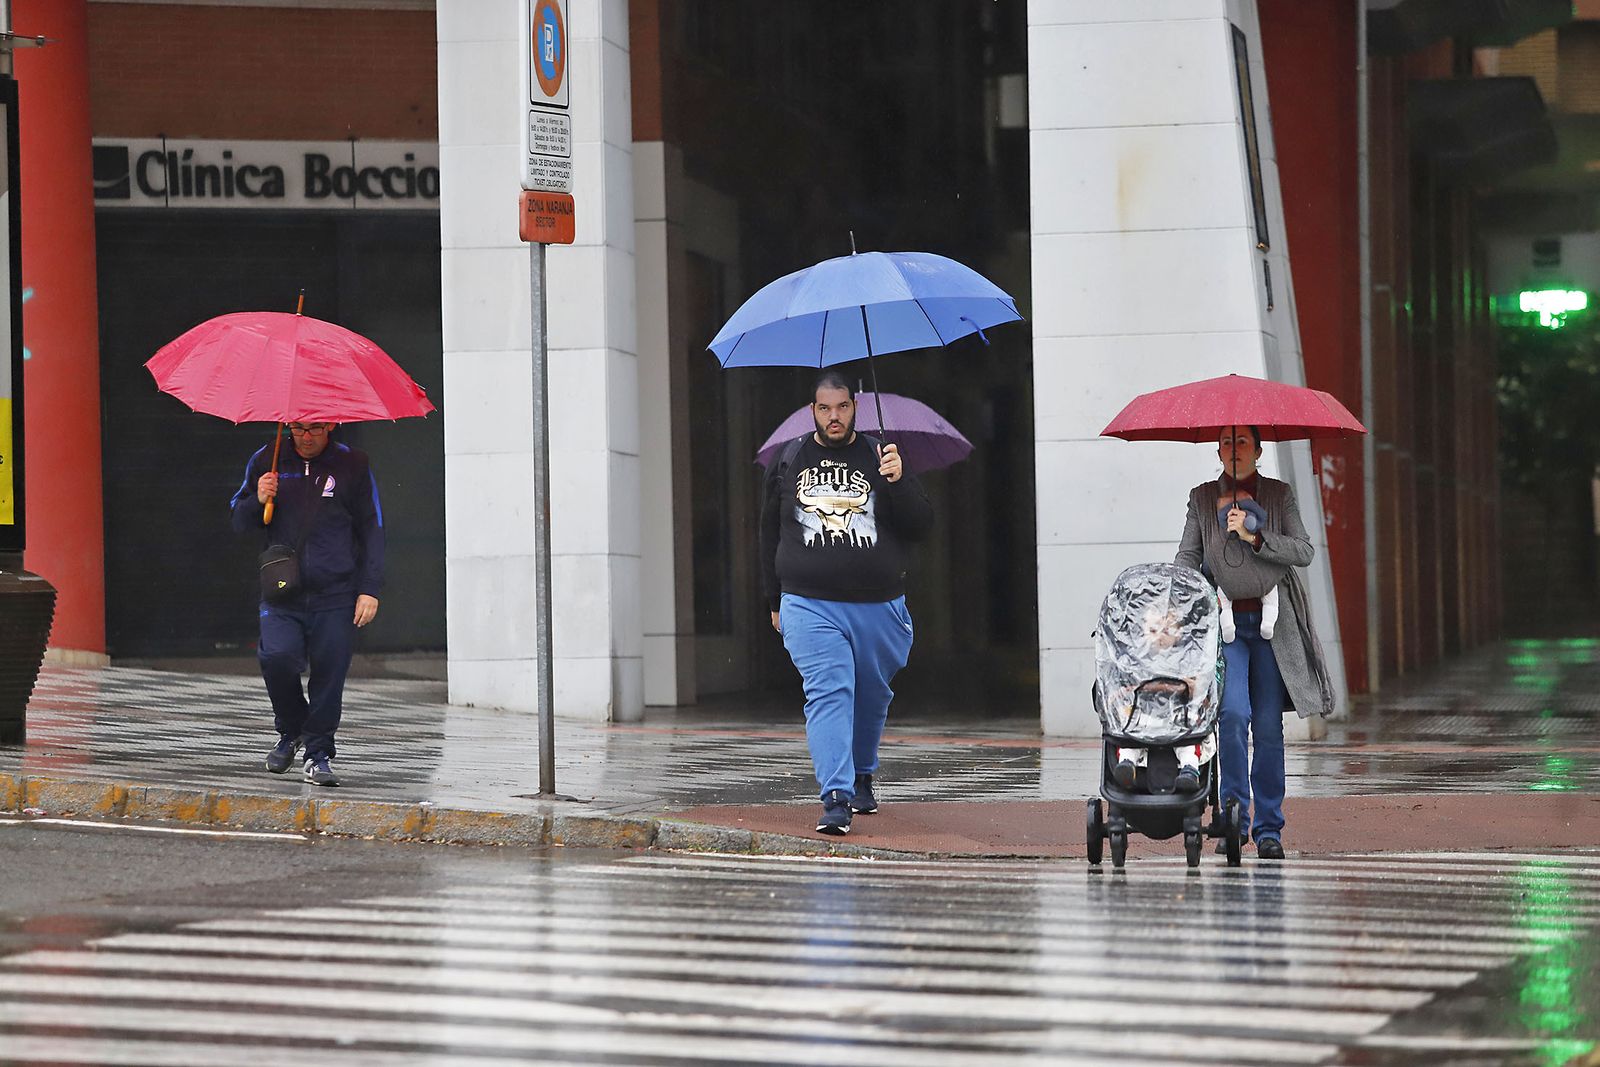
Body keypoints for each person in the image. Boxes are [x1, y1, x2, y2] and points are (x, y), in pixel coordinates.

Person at [760, 371, 933, 835]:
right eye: (824, 408)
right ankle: (835, 797)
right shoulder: (789, 457)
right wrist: (772, 597)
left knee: (872, 696)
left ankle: (861, 774)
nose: (833, 416)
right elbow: (767, 532)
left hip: (879, 604)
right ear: (812, 410)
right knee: (830, 690)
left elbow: (921, 526)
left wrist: (899, 482)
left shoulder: (883, 456)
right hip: (808, 602)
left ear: (854, 406)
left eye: (841, 407)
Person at [1175, 425, 1334, 859]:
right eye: (1227, 443)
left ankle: (1268, 830)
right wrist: (1177, 587)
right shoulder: (1203, 497)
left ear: (1259, 450)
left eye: (1242, 442)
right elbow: (1188, 555)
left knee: (1266, 727)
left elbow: (1303, 551)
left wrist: (1256, 537)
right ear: (1218, 450)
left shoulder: (1279, 496)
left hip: (1271, 627)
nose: (1234, 450)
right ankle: (1233, 820)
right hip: (1226, 628)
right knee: (1231, 714)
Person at [230, 421, 384, 787]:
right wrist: (259, 500)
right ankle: (291, 730)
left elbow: (373, 528)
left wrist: (370, 588)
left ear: (330, 425)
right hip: (283, 590)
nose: (306, 437)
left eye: (315, 428)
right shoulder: (267, 459)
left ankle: (318, 754)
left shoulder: (354, 464)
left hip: (337, 592)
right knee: (276, 657)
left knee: (329, 675)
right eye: (298, 428)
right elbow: (238, 520)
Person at [1110, 602, 1217, 794]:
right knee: (1127, 733)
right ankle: (1127, 765)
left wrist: (1192, 686)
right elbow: (1123, 689)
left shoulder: (1186, 659)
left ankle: (1189, 770)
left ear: (1179, 633)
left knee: (1190, 739)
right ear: (1143, 632)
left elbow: (1199, 692)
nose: (1160, 635)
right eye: (1153, 630)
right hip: (1143, 719)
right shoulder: (1135, 660)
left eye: (1167, 630)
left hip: (1177, 718)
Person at [1213, 491, 1278, 643]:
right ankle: (1268, 623)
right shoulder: (1248, 515)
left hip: (1233, 575)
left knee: (1223, 595)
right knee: (1270, 594)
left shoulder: (1228, 520)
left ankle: (1227, 623)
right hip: (1258, 576)